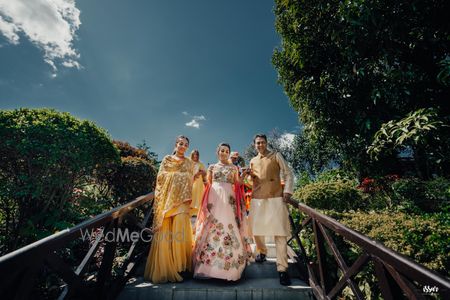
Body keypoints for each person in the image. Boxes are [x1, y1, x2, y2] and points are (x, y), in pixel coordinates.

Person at [193, 143, 252, 281]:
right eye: (222, 150)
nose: (224, 153)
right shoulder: (212, 167)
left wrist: (244, 174)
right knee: (212, 226)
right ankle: (208, 268)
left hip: (228, 200)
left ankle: (229, 270)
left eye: (226, 151)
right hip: (214, 199)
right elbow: (207, 185)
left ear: (229, 153)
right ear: (217, 152)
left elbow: (238, 183)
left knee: (228, 224)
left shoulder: (233, 168)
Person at [144, 135, 194, 283]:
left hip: (182, 202)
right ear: (175, 144)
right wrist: (179, 176)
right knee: (166, 233)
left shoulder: (189, 162)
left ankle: (181, 267)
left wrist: (179, 176)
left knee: (181, 233)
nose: (182, 146)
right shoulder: (167, 159)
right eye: (180, 143)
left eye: (185, 145)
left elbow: (189, 179)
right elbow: (161, 177)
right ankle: (166, 268)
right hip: (167, 202)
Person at [247, 134, 294, 286]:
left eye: (262, 142)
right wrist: (248, 177)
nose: (260, 145)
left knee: (279, 233)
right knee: (256, 229)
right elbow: (251, 181)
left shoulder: (276, 155)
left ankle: (282, 270)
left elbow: (288, 173)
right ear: (254, 145)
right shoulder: (252, 161)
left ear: (267, 143)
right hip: (257, 198)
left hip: (276, 197)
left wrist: (287, 191)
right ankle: (261, 251)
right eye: (257, 143)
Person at [190, 150, 207, 217]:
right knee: (191, 193)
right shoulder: (189, 162)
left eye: (197, 154)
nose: (195, 155)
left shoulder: (200, 163)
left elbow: (205, 173)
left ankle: (198, 212)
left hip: (199, 182)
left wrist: (200, 173)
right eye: (194, 154)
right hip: (191, 181)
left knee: (198, 195)